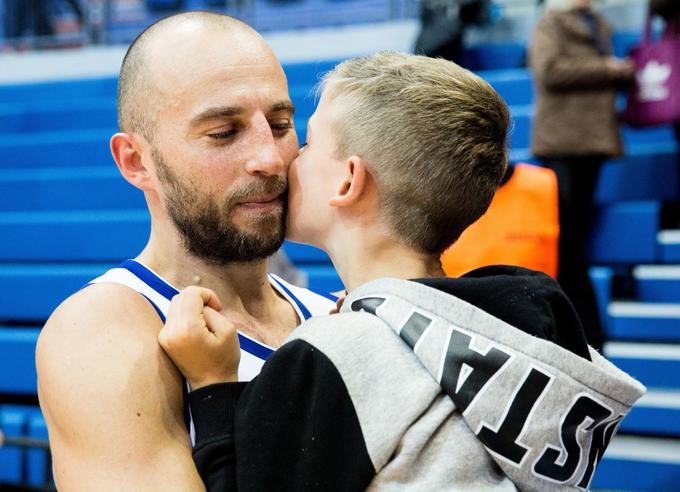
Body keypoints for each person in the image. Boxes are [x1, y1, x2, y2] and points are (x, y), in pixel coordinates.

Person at [159, 52, 645, 491]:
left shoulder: (335, 357)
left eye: (306, 144)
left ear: (349, 179)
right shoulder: (510, 329)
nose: (284, 160)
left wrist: (213, 385)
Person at [35, 12, 335, 490]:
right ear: (136, 161)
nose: (271, 158)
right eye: (223, 133)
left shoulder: (334, 315)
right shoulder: (98, 332)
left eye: (280, 124)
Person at [529, 0, 635, 349]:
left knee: (576, 235)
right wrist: (606, 68)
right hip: (563, 139)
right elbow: (549, 71)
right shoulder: (551, 25)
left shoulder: (595, 24)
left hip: (591, 138)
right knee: (565, 236)